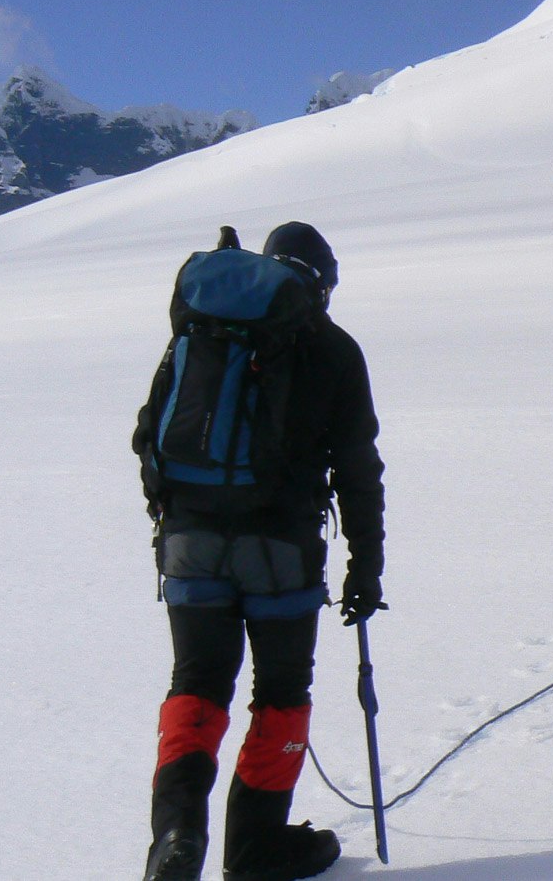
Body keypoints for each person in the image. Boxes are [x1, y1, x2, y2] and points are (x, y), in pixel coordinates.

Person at [133, 222, 386, 881]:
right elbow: (358, 471)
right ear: (322, 284)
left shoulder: (203, 329)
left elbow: (148, 433)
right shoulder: (333, 349)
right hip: (280, 551)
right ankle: (255, 855)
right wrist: (366, 565)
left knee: (196, 685)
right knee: (280, 696)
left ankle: (178, 834)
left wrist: (172, 515)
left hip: (190, 540)